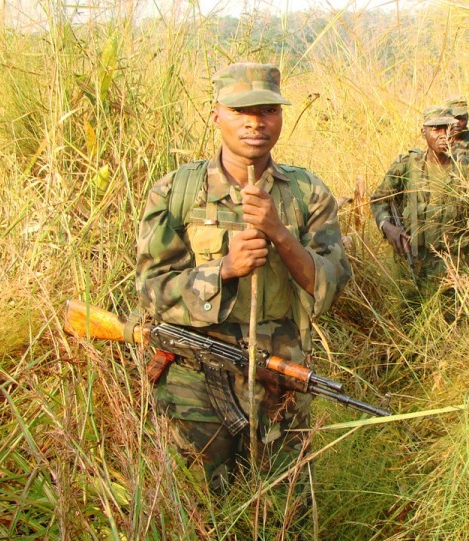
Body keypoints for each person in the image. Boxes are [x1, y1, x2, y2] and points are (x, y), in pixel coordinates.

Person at [135, 62, 351, 506]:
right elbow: (152, 289)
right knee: (201, 504)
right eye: (241, 110)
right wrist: (224, 271)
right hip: (196, 378)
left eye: (269, 109)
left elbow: (328, 285)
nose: (256, 122)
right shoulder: (175, 191)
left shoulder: (307, 192)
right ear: (216, 115)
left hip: (280, 377)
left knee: (287, 504)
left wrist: (279, 233)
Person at [369, 105, 469, 289]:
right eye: (436, 129)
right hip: (413, 259)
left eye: (448, 128)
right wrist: (387, 227)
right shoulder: (407, 165)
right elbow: (379, 199)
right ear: (423, 132)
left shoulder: (467, 168)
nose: (444, 134)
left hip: (455, 265)